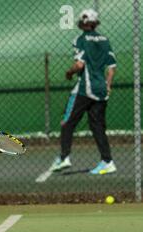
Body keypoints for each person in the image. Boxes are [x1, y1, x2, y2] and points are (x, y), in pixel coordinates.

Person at [49, 9, 117, 174]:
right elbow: (112, 67)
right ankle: (107, 161)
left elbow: (79, 65)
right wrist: (107, 85)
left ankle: (64, 157)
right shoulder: (105, 40)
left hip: (85, 89)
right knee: (98, 127)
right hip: (101, 90)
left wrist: (69, 73)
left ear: (81, 23)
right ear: (95, 23)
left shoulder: (80, 39)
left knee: (67, 122)